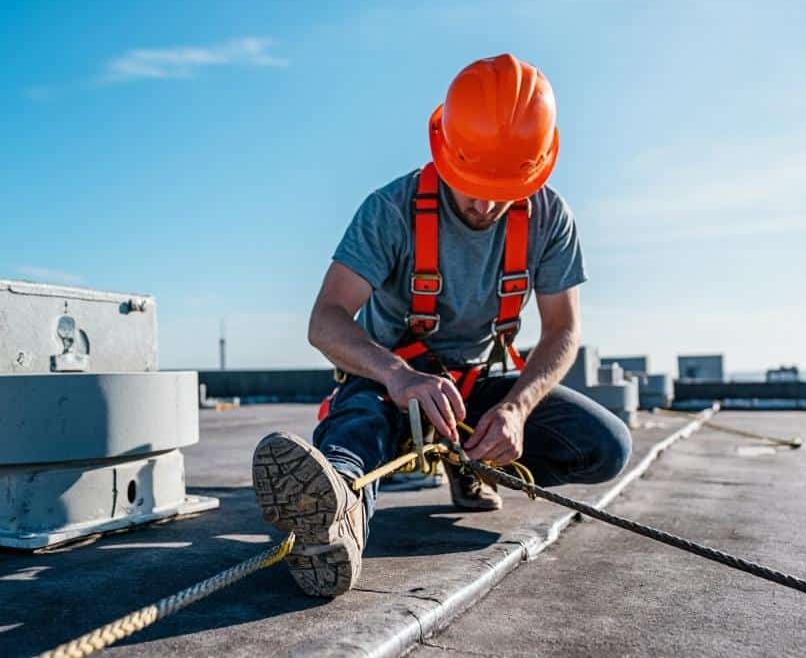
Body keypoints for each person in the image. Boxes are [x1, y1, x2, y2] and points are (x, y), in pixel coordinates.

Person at [252, 54, 632, 597]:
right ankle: (336, 509)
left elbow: (561, 332)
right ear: (444, 151)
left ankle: (475, 463)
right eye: (470, 181)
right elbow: (326, 320)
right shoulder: (390, 209)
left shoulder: (550, 219)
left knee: (605, 447)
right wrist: (398, 375)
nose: (483, 203)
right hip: (390, 384)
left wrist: (515, 411)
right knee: (359, 424)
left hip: (476, 390)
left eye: (502, 188)